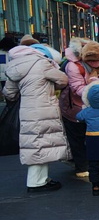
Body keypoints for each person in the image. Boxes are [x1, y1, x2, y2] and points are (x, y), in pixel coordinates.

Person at [2, 43, 70, 193]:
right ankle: (36, 182)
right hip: (44, 108)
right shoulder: (42, 64)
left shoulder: (15, 66)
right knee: (41, 144)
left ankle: (40, 179)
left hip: (26, 109)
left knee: (35, 143)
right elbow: (63, 80)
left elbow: (9, 93)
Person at [59, 39, 99, 177]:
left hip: (93, 105)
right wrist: (96, 89)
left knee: (91, 136)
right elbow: (77, 88)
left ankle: (94, 164)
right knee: (77, 137)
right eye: (92, 61)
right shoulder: (73, 66)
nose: (97, 64)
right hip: (74, 107)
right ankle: (82, 166)